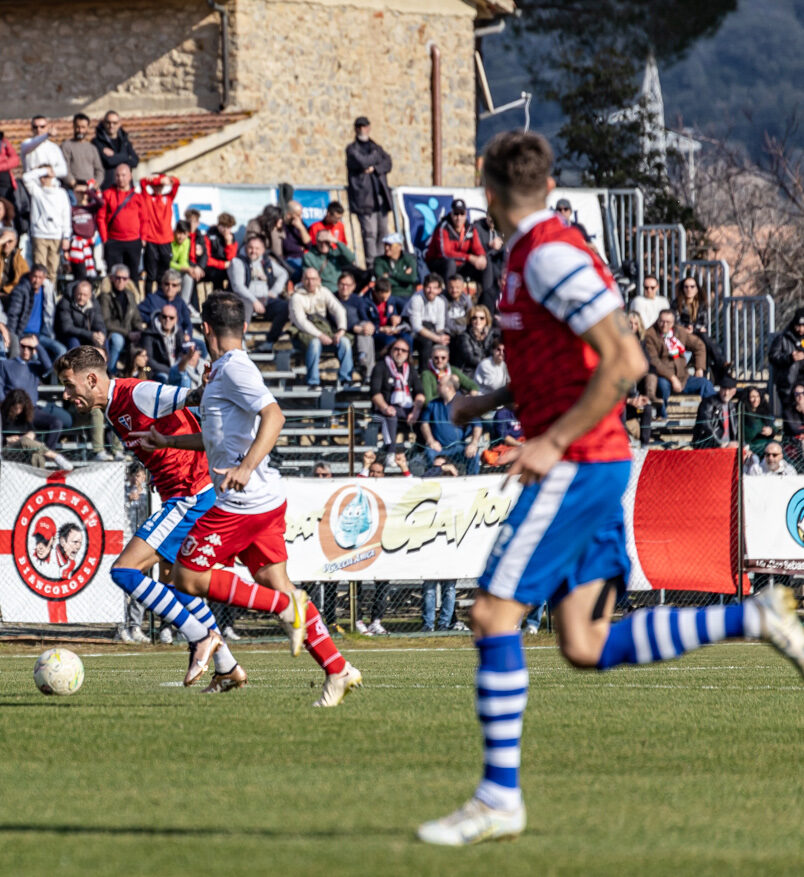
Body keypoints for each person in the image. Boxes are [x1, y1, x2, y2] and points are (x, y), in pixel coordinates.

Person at [415, 130, 804, 846]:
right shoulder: (539, 251)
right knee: (584, 641)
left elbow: (622, 359)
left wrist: (554, 439)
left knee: (494, 614)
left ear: (487, 190)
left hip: (578, 465)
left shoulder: (549, 254)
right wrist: (486, 399)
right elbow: (564, 358)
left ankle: (499, 796)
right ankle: (752, 618)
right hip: (591, 462)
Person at [140, 293, 363, 705]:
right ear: (242, 326)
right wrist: (168, 440)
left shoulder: (236, 369)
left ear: (205, 329)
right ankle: (338, 670)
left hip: (242, 503)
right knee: (277, 583)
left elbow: (274, 416)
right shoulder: (223, 370)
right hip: (264, 501)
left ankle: (283, 608)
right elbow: (219, 438)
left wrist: (244, 469)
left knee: (184, 576)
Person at [57, 346, 246, 690]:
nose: (66, 394)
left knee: (125, 571)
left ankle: (199, 637)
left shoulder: (138, 393)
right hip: (188, 495)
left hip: (190, 495)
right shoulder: (114, 408)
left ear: (91, 378)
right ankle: (227, 666)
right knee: (177, 583)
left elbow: (192, 397)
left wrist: (205, 388)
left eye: (69, 385)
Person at [346, 116, 393, 263]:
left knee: (383, 232)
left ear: (369, 127)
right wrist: (375, 159)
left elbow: (388, 163)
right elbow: (362, 161)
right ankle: (372, 264)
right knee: (370, 233)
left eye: (365, 126)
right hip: (363, 199)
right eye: (359, 127)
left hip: (380, 198)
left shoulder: (375, 147)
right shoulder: (352, 149)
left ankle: (381, 263)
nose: (362, 129)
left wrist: (374, 168)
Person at [93, 111, 140, 189]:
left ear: (119, 124)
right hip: (108, 188)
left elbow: (135, 161)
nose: (111, 125)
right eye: (108, 122)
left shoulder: (125, 141)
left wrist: (115, 156)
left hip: (126, 189)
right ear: (104, 123)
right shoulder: (97, 142)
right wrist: (126, 157)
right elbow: (109, 161)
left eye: (114, 123)